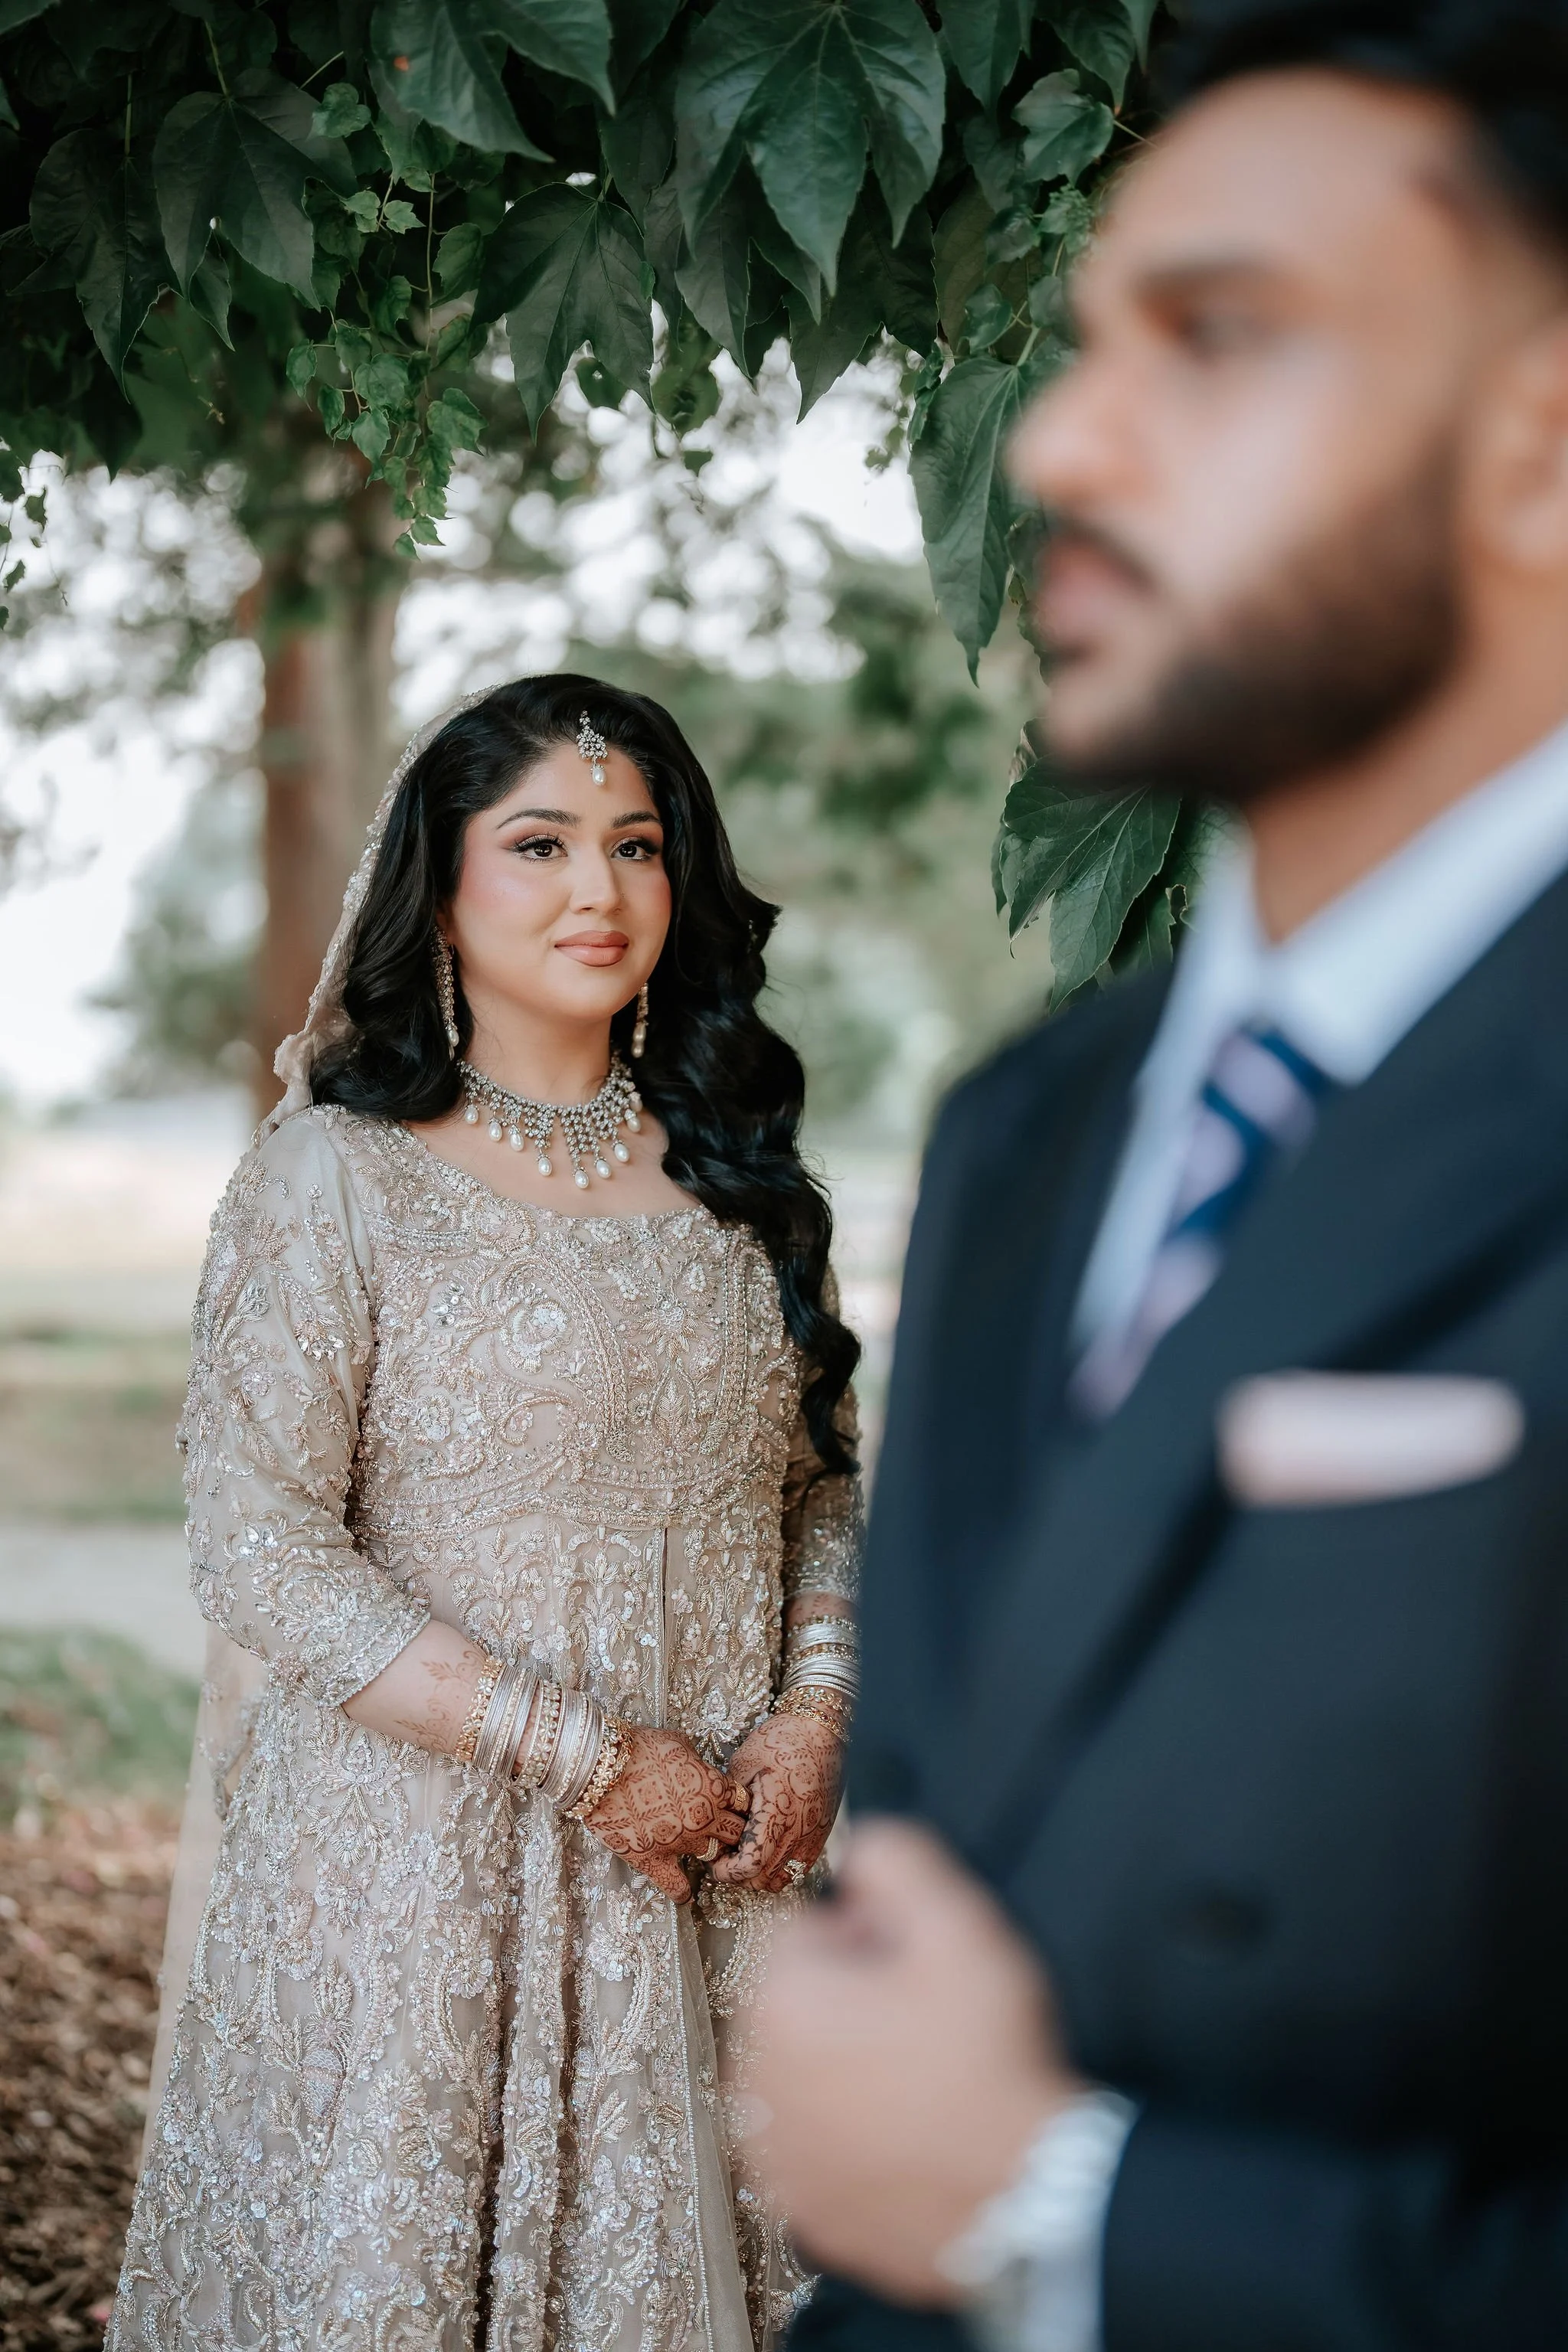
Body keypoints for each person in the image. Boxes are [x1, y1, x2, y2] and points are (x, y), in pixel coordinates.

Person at [746, 4, 1568, 2347]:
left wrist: (1062, 2219)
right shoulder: (1032, 1127)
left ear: (1542, 449)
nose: (1065, 441)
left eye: (1218, 340)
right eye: (1091, 342)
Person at [109, 675, 864, 2351]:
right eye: (540, 845)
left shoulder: (743, 1180)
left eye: (636, 845)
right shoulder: (338, 1180)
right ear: (438, 885)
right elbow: (260, 1545)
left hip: (721, 1876)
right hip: (420, 1885)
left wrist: (817, 1711)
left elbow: (818, 1485)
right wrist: (589, 1758)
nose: (599, 891)